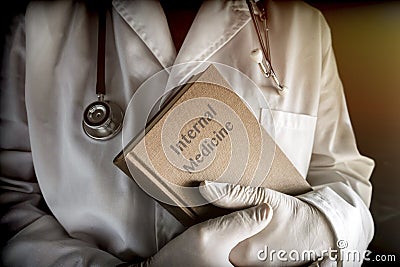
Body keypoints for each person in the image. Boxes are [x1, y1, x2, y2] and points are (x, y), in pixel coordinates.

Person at [0, 0, 375, 266]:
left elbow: (344, 177)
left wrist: (326, 226)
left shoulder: (304, 26)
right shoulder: (37, 25)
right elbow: (12, 206)